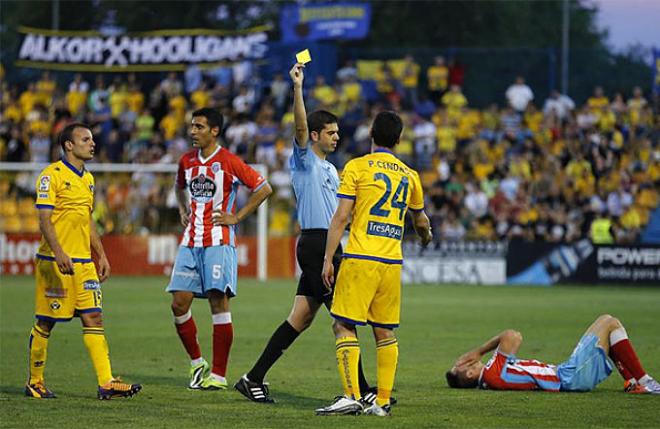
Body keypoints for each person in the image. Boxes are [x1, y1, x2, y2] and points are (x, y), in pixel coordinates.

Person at [234, 63, 376, 404]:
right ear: (314, 135)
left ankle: (252, 378)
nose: (337, 137)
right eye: (330, 132)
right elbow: (299, 125)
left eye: (338, 132)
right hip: (316, 245)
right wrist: (298, 87)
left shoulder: (330, 168)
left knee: (300, 318)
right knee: (344, 318)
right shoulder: (304, 161)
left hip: (327, 244)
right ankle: (361, 391)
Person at [316, 111, 433, 416]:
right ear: (399, 139)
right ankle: (381, 401)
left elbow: (341, 216)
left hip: (360, 258)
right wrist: (425, 237)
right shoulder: (410, 175)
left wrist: (328, 258)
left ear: (370, 133)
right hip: (391, 263)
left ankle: (351, 395)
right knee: (384, 332)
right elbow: (421, 221)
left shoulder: (356, 167)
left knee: (342, 324)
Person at [26, 123, 141, 400]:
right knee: (46, 321)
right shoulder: (50, 175)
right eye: (85, 139)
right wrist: (59, 252)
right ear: (69, 145)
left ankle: (106, 383)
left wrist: (100, 254)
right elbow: (44, 219)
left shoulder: (88, 178)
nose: (92, 143)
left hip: (83, 262)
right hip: (55, 261)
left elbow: (87, 220)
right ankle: (35, 381)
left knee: (93, 316)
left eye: (91, 138)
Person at [167, 107, 272, 390]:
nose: (193, 132)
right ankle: (196, 362)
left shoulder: (229, 161)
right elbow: (178, 187)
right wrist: (182, 208)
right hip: (191, 240)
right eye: (191, 126)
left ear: (214, 131)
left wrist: (236, 217)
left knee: (218, 301)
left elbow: (263, 188)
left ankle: (218, 375)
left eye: (199, 127)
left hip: (218, 241)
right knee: (178, 302)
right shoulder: (186, 161)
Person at [445, 314, 660, 394]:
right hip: (569, 377)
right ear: (471, 374)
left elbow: (513, 337)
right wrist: (480, 350)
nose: (466, 359)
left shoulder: (491, 376)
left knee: (606, 333)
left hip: (567, 373)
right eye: (462, 364)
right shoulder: (492, 374)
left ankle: (633, 383)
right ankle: (644, 381)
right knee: (609, 322)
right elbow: (514, 336)